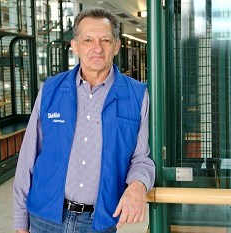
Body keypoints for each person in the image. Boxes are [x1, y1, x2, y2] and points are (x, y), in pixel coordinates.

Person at [13, 8, 155, 233]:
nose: (97, 48)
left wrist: (138, 185)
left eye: (105, 40)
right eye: (88, 40)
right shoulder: (51, 89)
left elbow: (141, 158)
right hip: (45, 218)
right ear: (75, 46)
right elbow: (28, 157)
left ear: (116, 46)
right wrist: (21, 220)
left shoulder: (137, 95)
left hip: (98, 221)